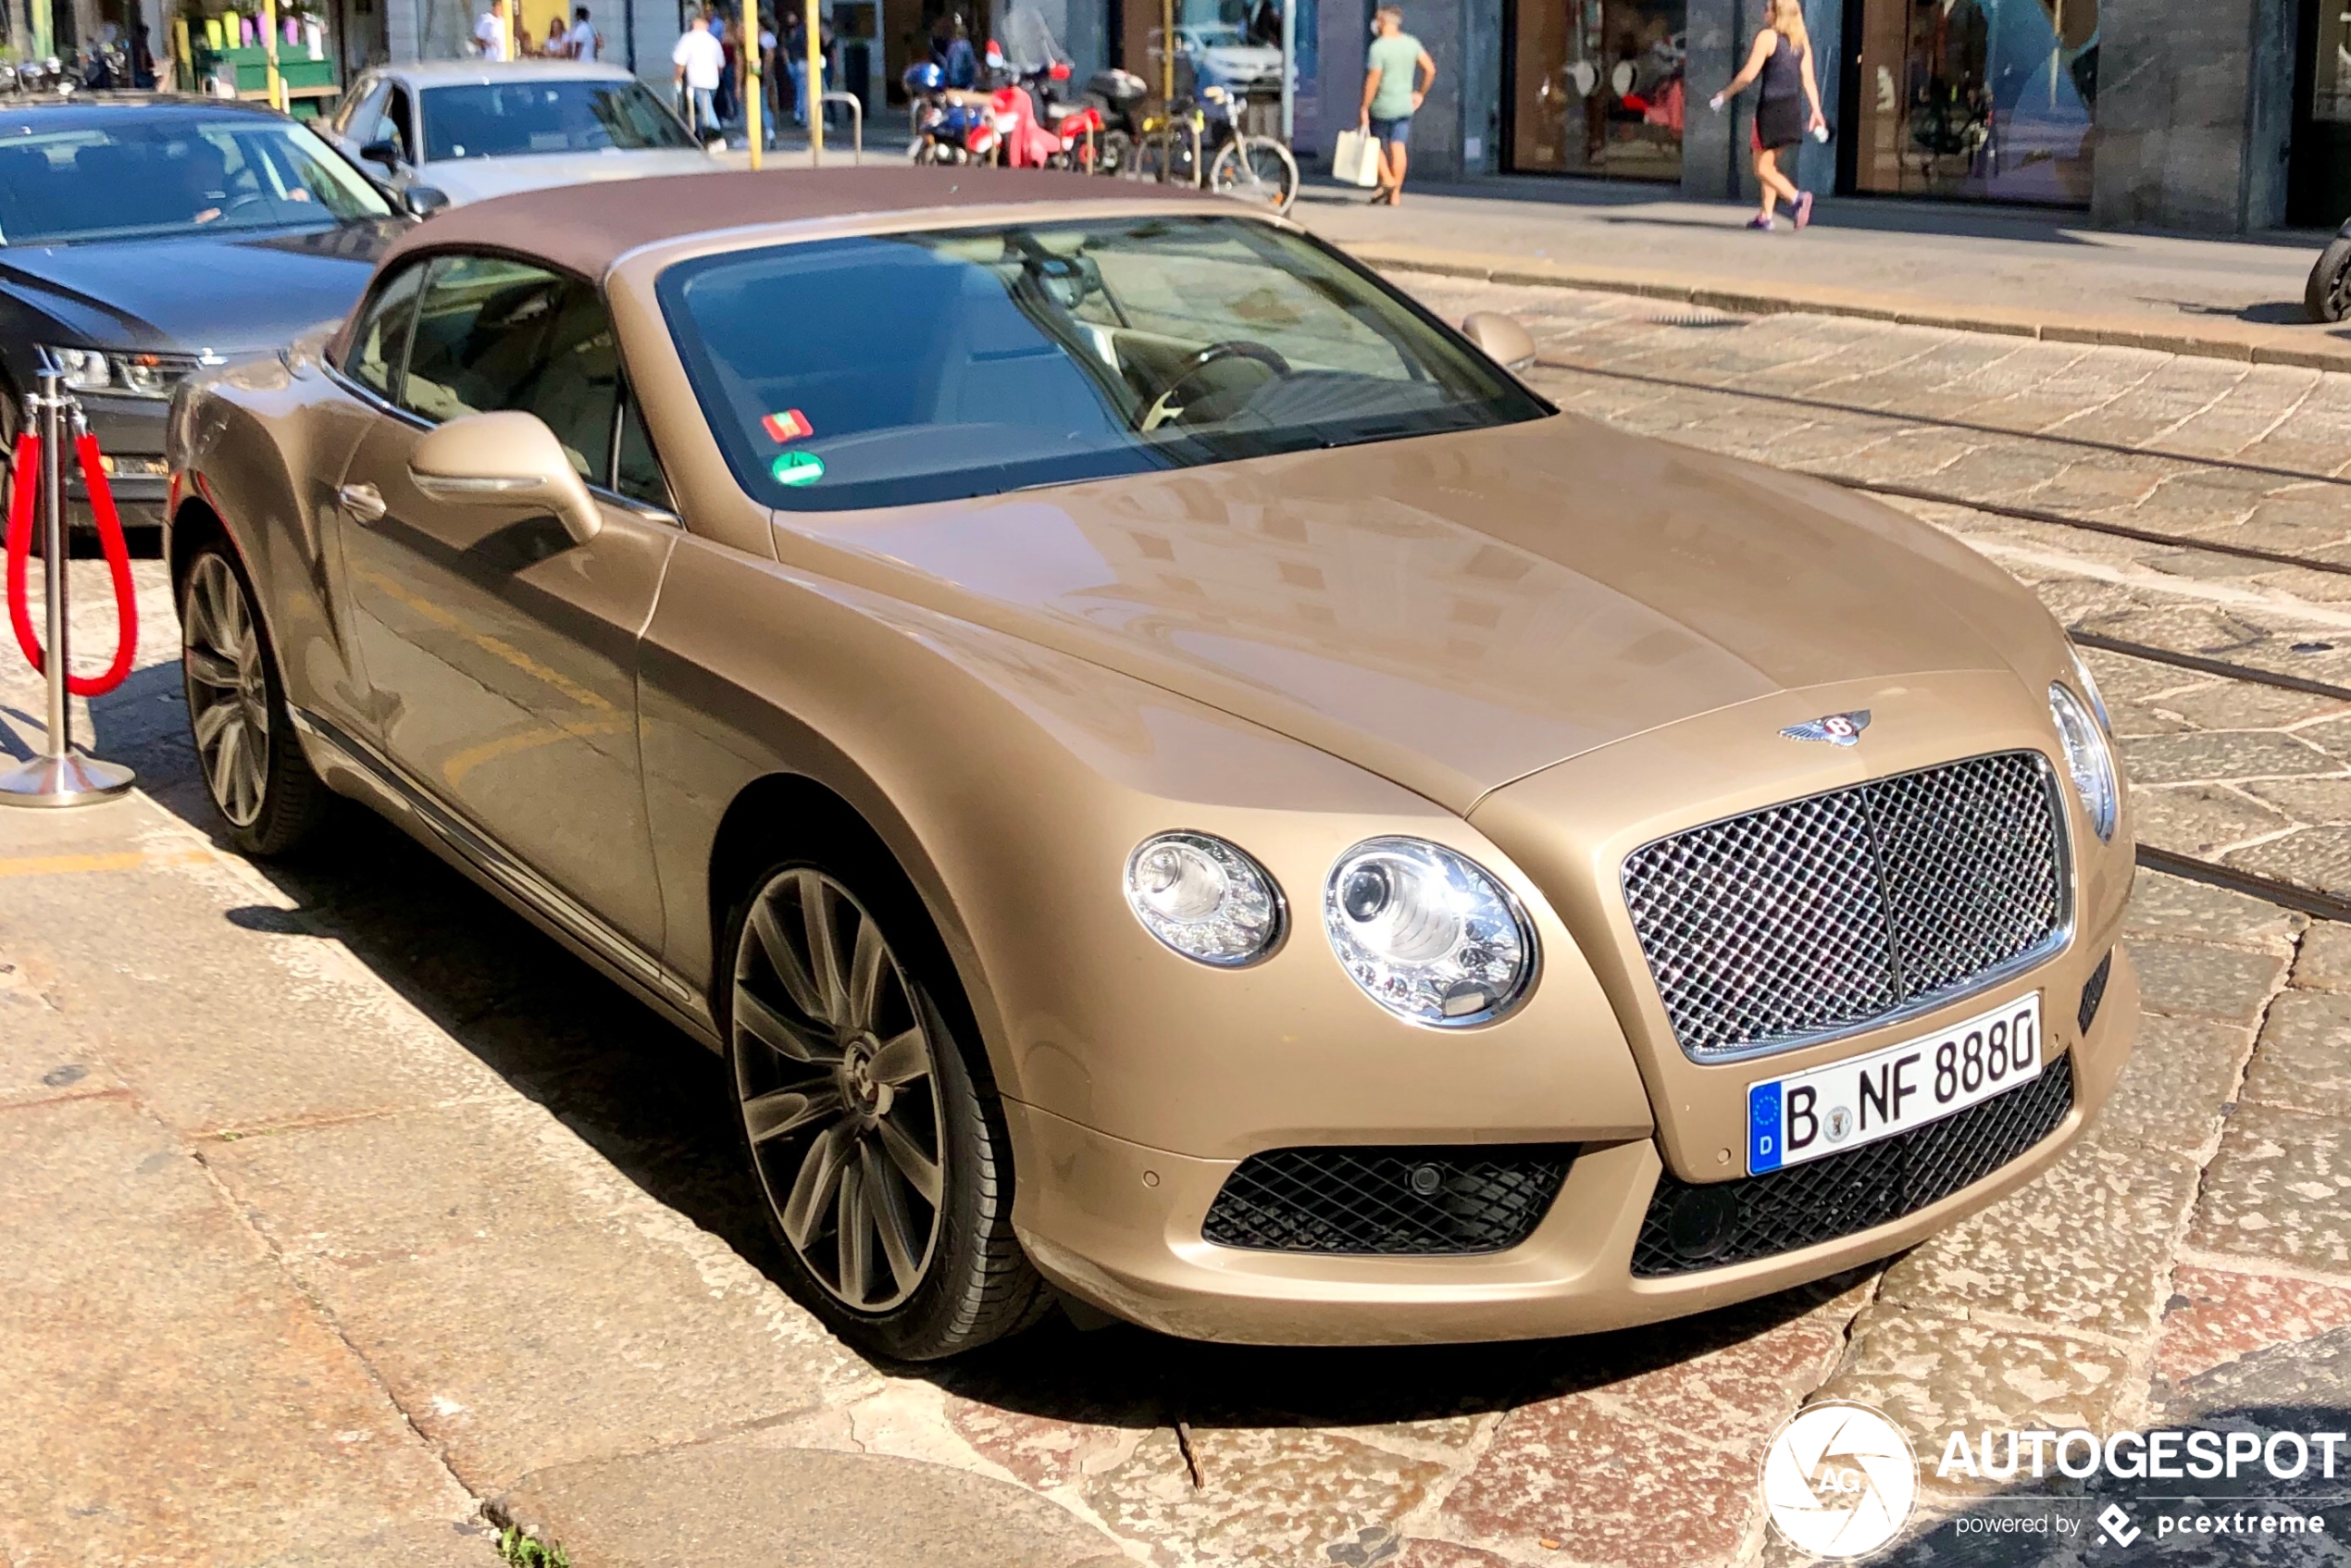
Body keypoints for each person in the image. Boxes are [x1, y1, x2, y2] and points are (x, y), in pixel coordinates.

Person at [1710, 0, 1826, 230]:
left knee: (1761, 168)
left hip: (1771, 109)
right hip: (1791, 109)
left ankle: (1796, 198)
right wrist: (1816, 111)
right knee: (1768, 163)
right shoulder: (1800, 41)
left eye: (1768, 8)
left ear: (1777, 13)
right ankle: (1766, 216)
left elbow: (1748, 75)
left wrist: (1725, 94)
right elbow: (1809, 80)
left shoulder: (1767, 37)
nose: (1764, 11)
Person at [1358, 6, 1434, 207]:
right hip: (1404, 105)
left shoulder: (1378, 48)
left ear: (1383, 21)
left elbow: (1373, 79)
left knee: (1373, 143)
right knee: (1398, 146)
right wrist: (1420, 93)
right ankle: (1396, 194)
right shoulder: (1411, 43)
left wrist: (1364, 106)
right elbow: (1430, 69)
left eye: (1377, 19)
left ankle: (1388, 179)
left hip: (1382, 104)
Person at [674, 10, 725, 136]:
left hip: (697, 81)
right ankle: (701, 135)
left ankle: (716, 135)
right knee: (706, 109)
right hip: (713, 82)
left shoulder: (688, 39)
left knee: (706, 111)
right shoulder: (713, 41)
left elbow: (680, 62)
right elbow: (721, 65)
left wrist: (678, 78)